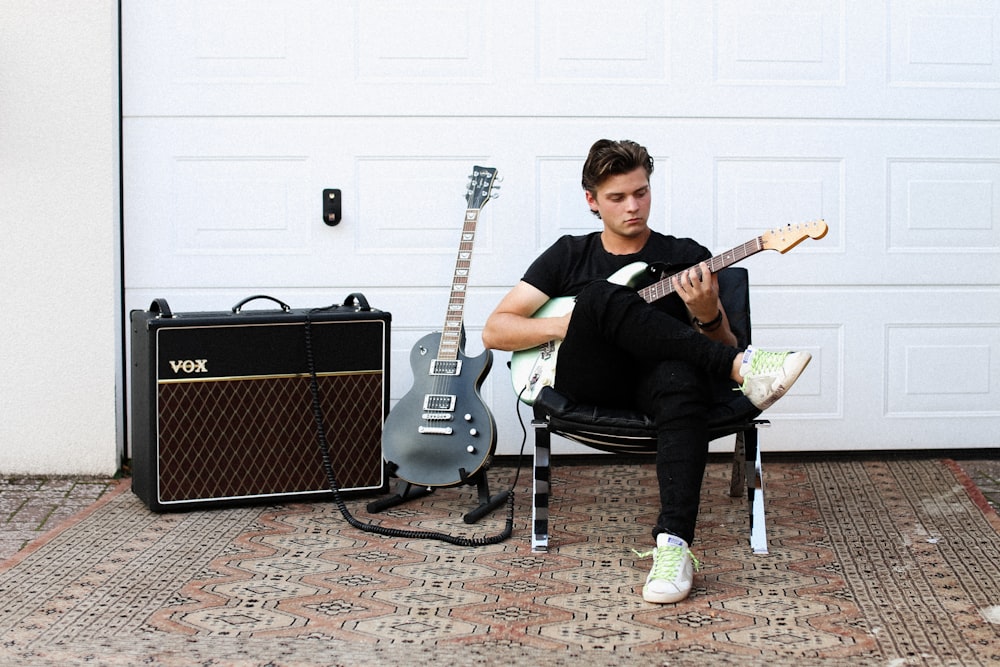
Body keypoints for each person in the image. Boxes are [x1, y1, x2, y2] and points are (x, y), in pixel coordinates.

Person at [482, 139, 811, 604]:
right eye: (617, 197)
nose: (633, 207)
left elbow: (718, 341)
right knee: (598, 297)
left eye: (641, 192)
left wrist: (708, 315)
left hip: (658, 386)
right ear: (592, 201)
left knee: (680, 376)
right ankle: (747, 370)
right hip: (588, 378)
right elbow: (495, 330)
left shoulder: (686, 255)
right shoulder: (569, 255)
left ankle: (673, 546)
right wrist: (575, 324)